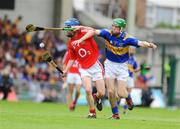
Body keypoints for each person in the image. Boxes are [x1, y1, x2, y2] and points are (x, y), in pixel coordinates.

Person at [71, 18, 157, 119]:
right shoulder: (107, 33)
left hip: (122, 67)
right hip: (110, 65)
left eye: (116, 27)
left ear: (121, 29)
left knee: (121, 92)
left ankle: (128, 99)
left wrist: (150, 45)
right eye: (113, 26)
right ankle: (115, 114)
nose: (114, 29)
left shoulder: (127, 38)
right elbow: (93, 31)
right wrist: (80, 28)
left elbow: (140, 42)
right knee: (111, 92)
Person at [62, 18, 105, 118]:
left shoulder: (84, 32)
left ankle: (97, 97)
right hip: (84, 68)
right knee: (88, 90)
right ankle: (92, 112)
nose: (66, 30)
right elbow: (72, 58)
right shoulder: (70, 43)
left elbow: (93, 31)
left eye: (68, 28)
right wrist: (66, 70)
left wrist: (80, 37)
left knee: (102, 93)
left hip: (95, 66)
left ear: (75, 28)